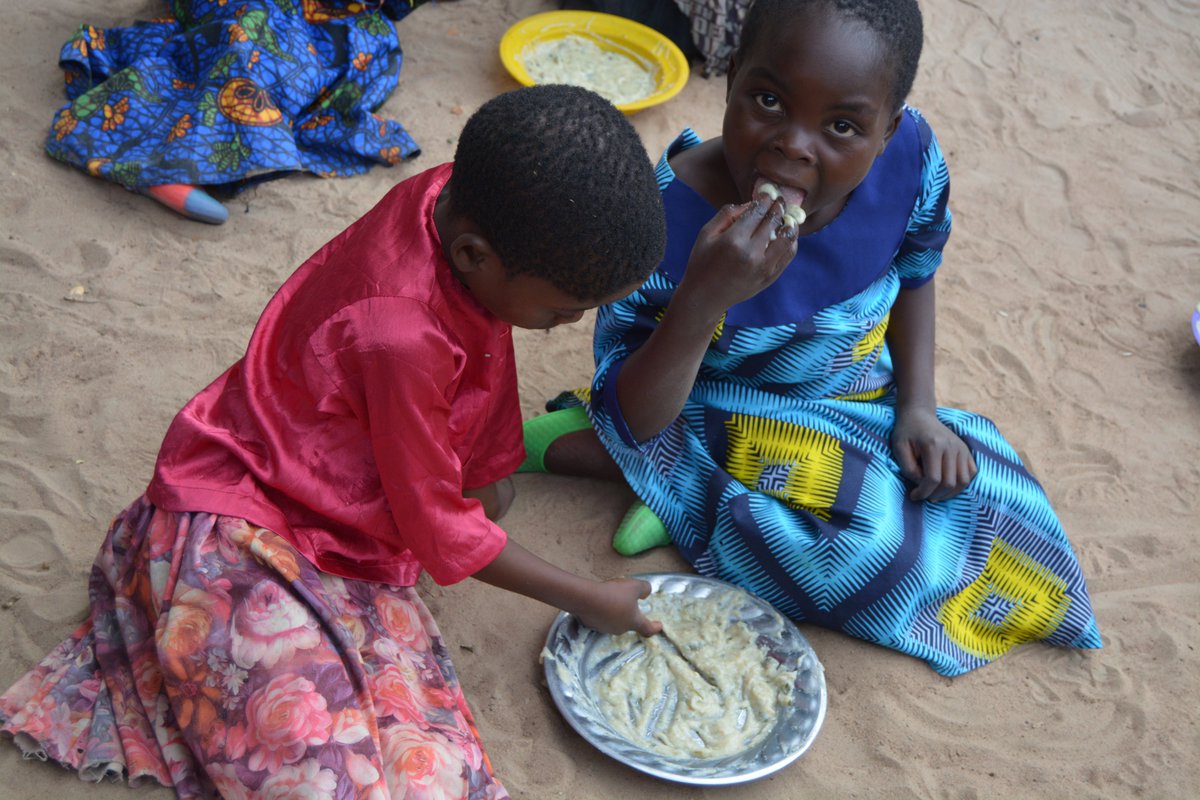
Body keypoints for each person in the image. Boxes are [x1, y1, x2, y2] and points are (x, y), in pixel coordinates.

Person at [0, 84, 666, 798]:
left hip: (334, 502)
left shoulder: (454, 199)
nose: (570, 324)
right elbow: (442, 532)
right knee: (325, 763)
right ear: (475, 254)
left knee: (390, 727)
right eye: (564, 311)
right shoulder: (401, 334)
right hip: (234, 518)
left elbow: (478, 356)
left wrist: (485, 469)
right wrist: (589, 597)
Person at [520, 0, 1102, 677]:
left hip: (858, 394)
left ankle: (670, 496)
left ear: (888, 131)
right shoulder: (665, 222)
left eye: (844, 126)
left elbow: (917, 272)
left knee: (991, 491)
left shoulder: (908, 164)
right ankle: (646, 475)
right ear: (732, 78)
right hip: (706, 407)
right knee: (868, 547)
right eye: (767, 99)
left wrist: (918, 407)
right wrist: (705, 294)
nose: (795, 144)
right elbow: (638, 413)